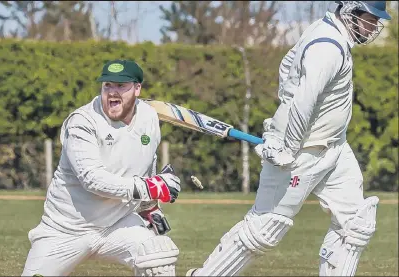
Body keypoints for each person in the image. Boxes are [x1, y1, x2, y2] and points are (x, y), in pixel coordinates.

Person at [186, 1, 391, 276]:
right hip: (301, 152)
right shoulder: (328, 47)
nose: (373, 25)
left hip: (335, 147)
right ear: (350, 10)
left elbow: (287, 66)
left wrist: (284, 107)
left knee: (355, 223)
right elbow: (304, 101)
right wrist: (287, 143)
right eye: (370, 18)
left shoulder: (326, 31)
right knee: (266, 227)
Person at [21, 59, 182, 276]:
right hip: (66, 229)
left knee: (157, 258)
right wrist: (150, 188)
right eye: (108, 85)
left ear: (137, 89)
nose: (112, 93)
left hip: (117, 224)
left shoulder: (149, 117)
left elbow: (145, 166)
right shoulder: (82, 121)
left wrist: (149, 207)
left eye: (121, 86)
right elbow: (92, 179)